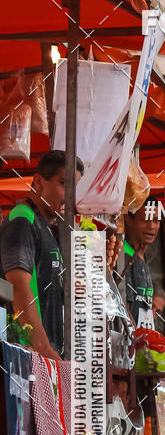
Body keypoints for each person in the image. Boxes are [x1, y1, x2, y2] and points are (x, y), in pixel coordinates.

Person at [0, 150, 84, 360]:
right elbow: (18, 286)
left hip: (45, 355)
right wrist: (44, 348)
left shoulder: (47, 227)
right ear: (37, 181)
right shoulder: (23, 219)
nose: (70, 196)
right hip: (25, 355)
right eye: (64, 184)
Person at [123, 199, 159, 329]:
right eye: (145, 220)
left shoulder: (143, 256)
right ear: (128, 219)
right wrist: (137, 342)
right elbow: (123, 309)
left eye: (156, 220)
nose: (152, 226)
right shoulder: (123, 256)